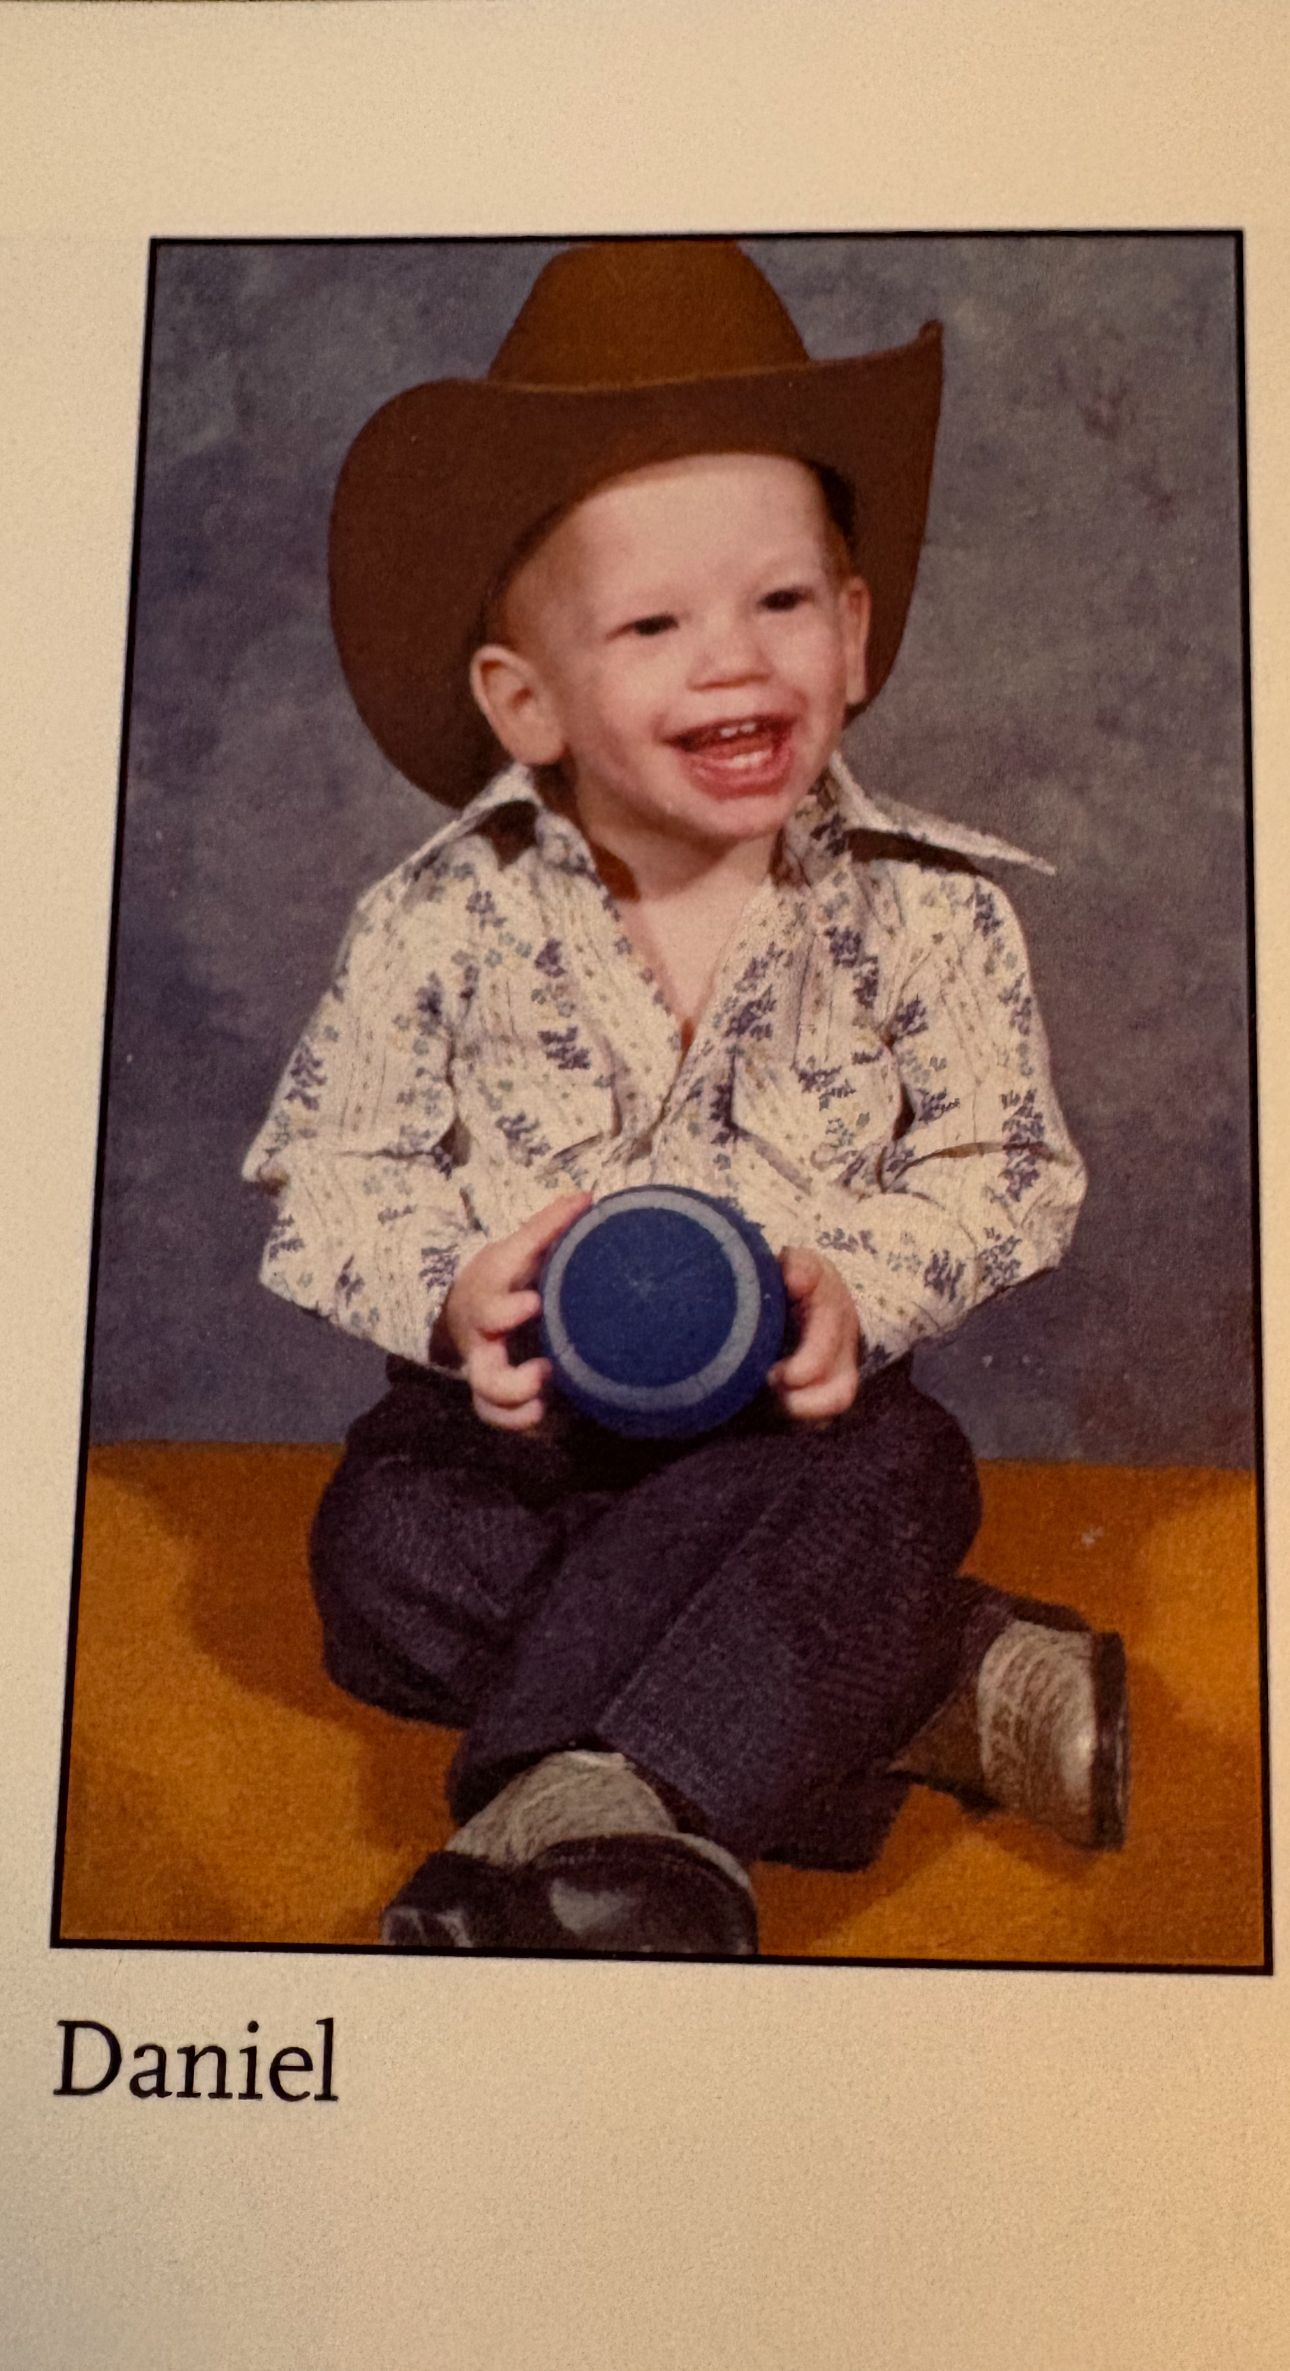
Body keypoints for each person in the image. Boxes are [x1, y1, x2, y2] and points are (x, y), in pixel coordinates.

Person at [243, 240, 1128, 1958]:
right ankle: (936, 1675)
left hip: (798, 1436)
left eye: (781, 601)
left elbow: (1000, 1164)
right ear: (527, 698)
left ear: (854, 631)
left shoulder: (929, 913)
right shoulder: (437, 920)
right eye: (651, 623)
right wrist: (446, 1284)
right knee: (377, 1563)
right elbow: (332, 1172)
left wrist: (863, 1289)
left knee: (898, 1476)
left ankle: (569, 1829)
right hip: (513, 1447)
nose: (732, 659)